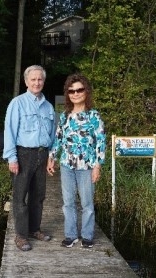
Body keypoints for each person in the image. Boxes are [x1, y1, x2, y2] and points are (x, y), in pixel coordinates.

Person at [47, 73, 106, 248]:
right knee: (68, 202)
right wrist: (51, 158)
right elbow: (58, 139)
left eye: (79, 90)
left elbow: (100, 142)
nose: (75, 93)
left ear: (86, 92)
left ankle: (87, 236)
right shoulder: (64, 116)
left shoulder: (94, 116)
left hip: (87, 166)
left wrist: (97, 166)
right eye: (71, 91)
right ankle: (71, 235)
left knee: (87, 203)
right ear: (68, 94)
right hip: (66, 165)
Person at [3, 65, 56, 251]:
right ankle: (21, 235)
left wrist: (51, 156)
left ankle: (35, 229)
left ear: (43, 81)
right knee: (20, 197)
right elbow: (9, 131)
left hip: (42, 154)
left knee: (39, 195)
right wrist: (12, 158)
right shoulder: (17, 103)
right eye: (33, 79)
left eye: (40, 79)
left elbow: (53, 135)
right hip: (23, 154)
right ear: (26, 82)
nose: (36, 82)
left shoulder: (49, 106)